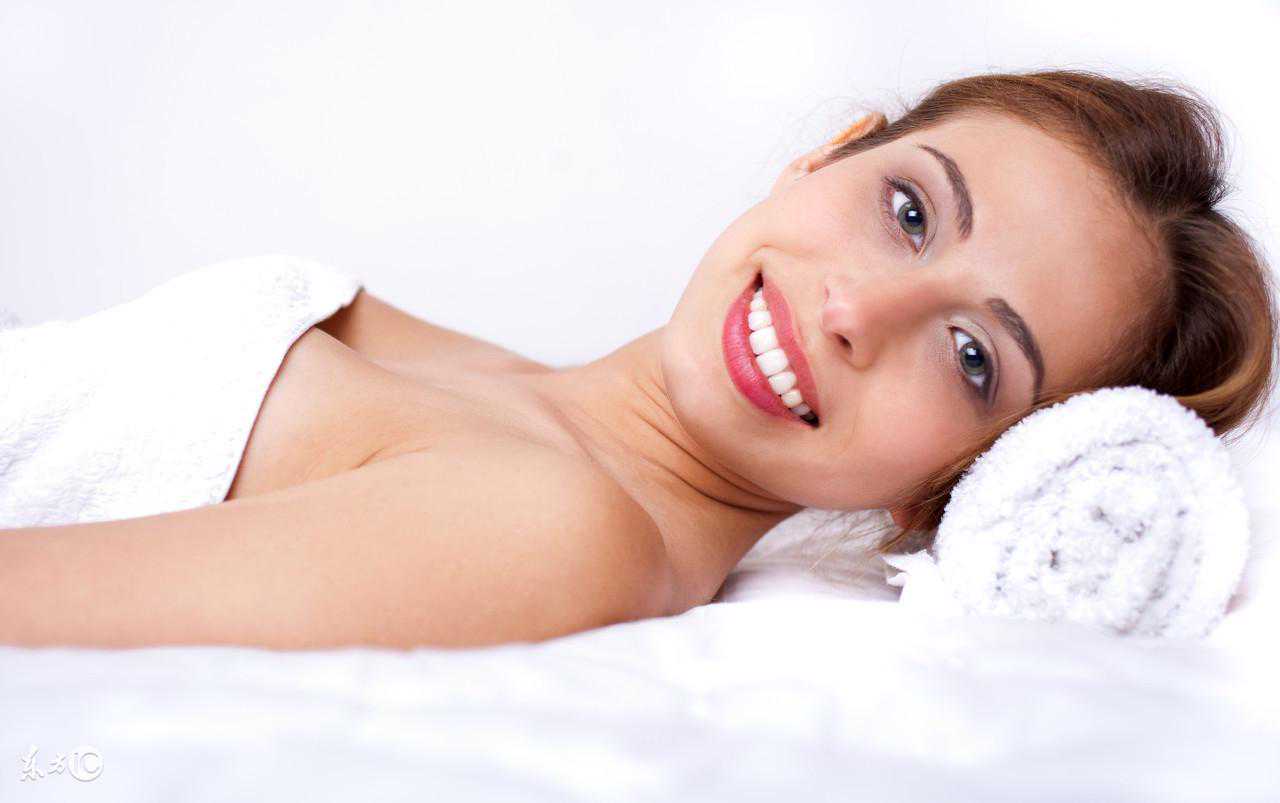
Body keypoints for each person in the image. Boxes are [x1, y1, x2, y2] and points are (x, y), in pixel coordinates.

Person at [1, 69, 1274, 649]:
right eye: (905, 210)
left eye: (969, 356)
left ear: (947, 489)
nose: (855, 311)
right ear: (822, 156)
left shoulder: (554, 528)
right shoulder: (511, 399)